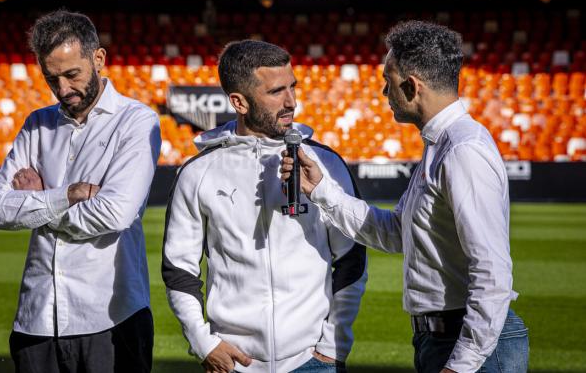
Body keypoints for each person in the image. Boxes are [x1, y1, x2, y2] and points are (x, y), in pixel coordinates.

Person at [281, 21, 529, 373]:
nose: (384, 93)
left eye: (388, 82)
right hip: (444, 339)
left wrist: (462, 364)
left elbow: (491, 269)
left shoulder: (462, 149)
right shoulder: (440, 145)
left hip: (467, 345)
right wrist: (322, 191)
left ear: (412, 86)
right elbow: (398, 232)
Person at [162, 40, 367, 373]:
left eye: (292, 87)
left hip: (314, 362)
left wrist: (334, 344)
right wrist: (203, 342)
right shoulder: (198, 172)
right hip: (234, 364)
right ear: (239, 102)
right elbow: (179, 270)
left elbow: (351, 257)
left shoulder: (325, 163)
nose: (291, 102)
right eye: (276, 92)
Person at [0, 10, 161, 373]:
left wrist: (39, 201)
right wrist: (66, 195)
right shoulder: (37, 123)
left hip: (111, 317)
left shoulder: (137, 120)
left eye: (72, 74)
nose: (63, 89)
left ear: (98, 59)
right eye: (52, 79)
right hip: (36, 319)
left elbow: (115, 214)